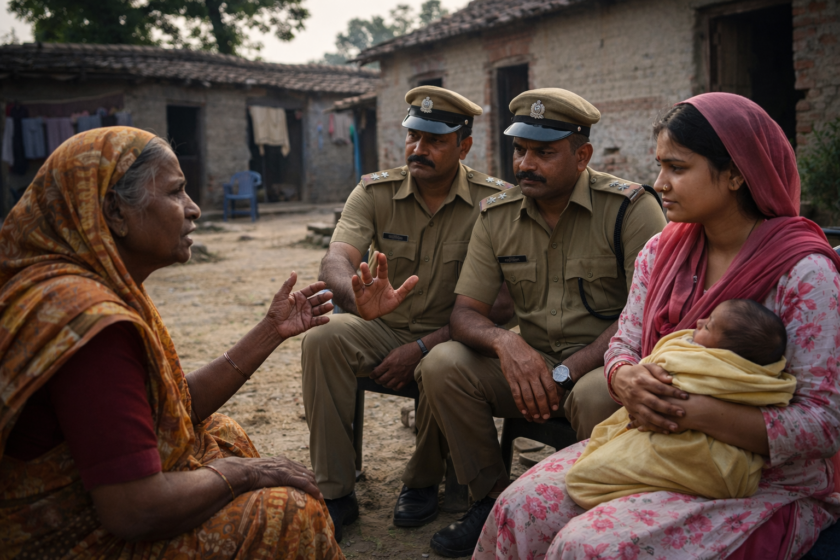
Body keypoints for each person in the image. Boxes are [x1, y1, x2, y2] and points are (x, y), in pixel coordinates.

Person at [476, 93, 840, 560]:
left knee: (587, 547)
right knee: (520, 507)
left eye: (677, 168)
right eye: (659, 166)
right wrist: (625, 379)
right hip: (651, 441)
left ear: (735, 174)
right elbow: (623, 346)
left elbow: (822, 425)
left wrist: (685, 409)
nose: (659, 183)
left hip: (759, 477)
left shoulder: (805, 274)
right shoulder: (661, 252)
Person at [0, 128, 343, 560]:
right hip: (66, 539)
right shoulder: (87, 323)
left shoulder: (104, 289)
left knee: (222, 434)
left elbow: (174, 408)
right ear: (115, 212)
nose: (194, 209)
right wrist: (241, 474)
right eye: (177, 192)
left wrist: (271, 330)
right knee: (290, 513)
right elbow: (133, 510)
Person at [416, 88, 666, 557]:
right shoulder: (497, 215)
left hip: (605, 362)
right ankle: (489, 501)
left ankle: (596, 513)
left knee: (600, 392)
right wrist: (506, 346)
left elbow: (646, 314)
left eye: (544, 152)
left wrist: (568, 369)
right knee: (443, 364)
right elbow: (465, 312)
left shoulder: (631, 209)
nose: (525, 163)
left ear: (582, 154)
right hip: (530, 367)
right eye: (520, 150)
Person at [300, 85, 514, 540]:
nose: (419, 148)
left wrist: (423, 345)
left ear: (465, 146)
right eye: (414, 136)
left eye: (435, 140)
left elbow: (506, 301)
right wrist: (354, 296)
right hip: (384, 327)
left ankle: (420, 482)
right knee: (322, 337)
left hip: (453, 336)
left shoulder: (494, 203)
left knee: (441, 361)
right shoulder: (375, 191)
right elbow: (334, 260)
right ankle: (336, 494)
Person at [566, 299, 796, 509]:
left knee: (583, 478)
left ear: (727, 353)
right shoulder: (656, 256)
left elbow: (665, 363)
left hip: (693, 448)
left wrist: (679, 406)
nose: (699, 321)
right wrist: (623, 374)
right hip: (725, 468)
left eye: (708, 327)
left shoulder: (699, 361)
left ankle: (634, 491)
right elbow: (624, 344)